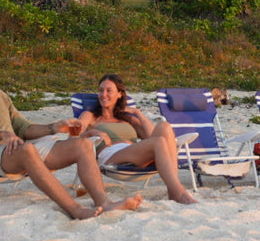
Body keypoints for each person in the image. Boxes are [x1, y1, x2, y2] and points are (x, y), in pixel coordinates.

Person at [0, 53, 142, 220]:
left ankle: (104, 203)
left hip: (16, 150)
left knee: (81, 145)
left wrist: (53, 127)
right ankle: (75, 210)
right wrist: (2, 134)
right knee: (28, 149)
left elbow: (23, 127)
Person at [75, 74, 197, 205]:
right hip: (110, 156)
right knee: (159, 142)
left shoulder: (127, 119)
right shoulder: (91, 116)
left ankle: (173, 191)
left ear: (120, 94)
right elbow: (75, 137)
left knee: (165, 126)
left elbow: (151, 136)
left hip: (135, 154)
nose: (103, 95)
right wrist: (93, 131)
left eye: (109, 90)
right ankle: (179, 192)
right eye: (100, 90)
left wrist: (138, 114)